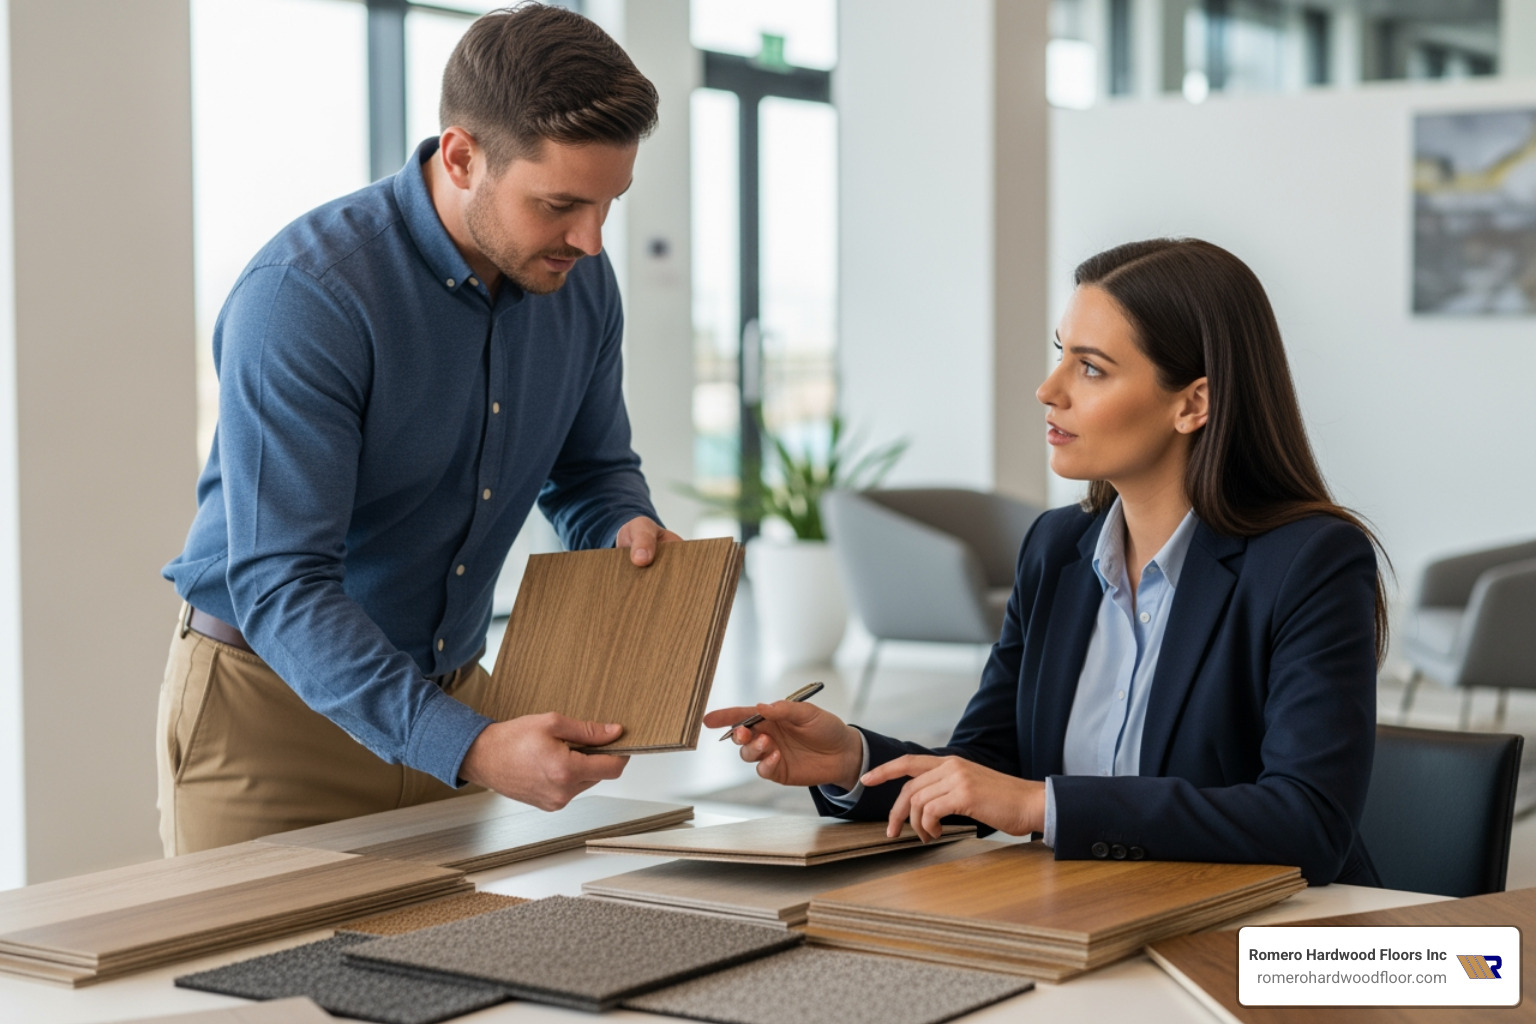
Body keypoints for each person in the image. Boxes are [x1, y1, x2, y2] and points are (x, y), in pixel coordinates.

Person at [159, 3, 681, 856]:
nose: (590, 239)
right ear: (463, 156)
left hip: (456, 699)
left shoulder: (581, 280)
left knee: (450, 979)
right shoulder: (307, 295)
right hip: (274, 720)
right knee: (265, 989)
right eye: (560, 204)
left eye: (608, 203)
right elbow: (281, 579)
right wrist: (467, 744)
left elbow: (590, 472)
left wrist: (623, 524)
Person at [706, 238, 1387, 886]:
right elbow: (988, 766)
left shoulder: (1312, 562)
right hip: (1084, 916)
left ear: (1192, 403)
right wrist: (854, 759)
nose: (1049, 389)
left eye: (1091, 368)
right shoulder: (1056, 548)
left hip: (1261, 945)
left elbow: (1307, 822)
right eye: (1061, 354)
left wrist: (1044, 807)